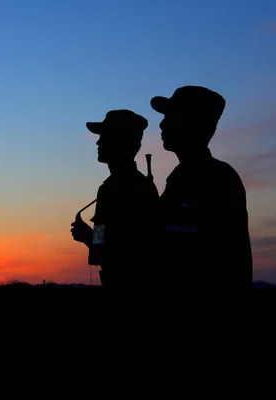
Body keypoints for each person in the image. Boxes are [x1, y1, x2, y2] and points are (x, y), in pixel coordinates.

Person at [150, 85, 253, 291]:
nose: (162, 124)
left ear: (191, 122)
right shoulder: (180, 177)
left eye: (170, 116)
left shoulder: (219, 179)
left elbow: (227, 261)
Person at [71, 109, 159, 290]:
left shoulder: (118, 188)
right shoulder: (113, 187)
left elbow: (125, 252)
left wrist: (87, 236)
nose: (98, 141)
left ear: (119, 142)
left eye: (104, 136)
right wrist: (89, 238)